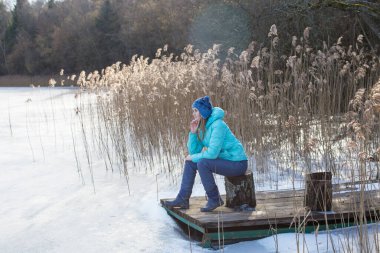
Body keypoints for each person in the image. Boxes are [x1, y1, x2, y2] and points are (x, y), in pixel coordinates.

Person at [165, 96, 248, 212]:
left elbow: (212, 154)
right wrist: (193, 133)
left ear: (203, 111)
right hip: (226, 161)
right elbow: (194, 152)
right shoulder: (203, 127)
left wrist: (194, 157)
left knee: (203, 163)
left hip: (237, 163)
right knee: (190, 162)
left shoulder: (218, 125)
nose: (193, 114)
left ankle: (214, 199)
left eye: (196, 110)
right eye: (193, 111)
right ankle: (183, 199)